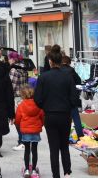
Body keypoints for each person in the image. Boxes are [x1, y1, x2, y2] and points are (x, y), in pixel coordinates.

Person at [34, 44, 79, 178]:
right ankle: (67, 172)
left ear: (50, 61)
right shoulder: (68, 76)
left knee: (53, 148)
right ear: (61, 60)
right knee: (64, 146)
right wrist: (68, 107)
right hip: (65, 114)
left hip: (50, 115)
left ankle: (56, 175)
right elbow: (74, 98)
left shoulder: (43, 77)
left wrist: (45, 106)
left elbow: (37, 98)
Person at [15, 86, 44, 178]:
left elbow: (18, 119)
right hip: (35, 130)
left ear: (23, 95)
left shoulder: (21, 105)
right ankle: (34, 170)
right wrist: (41, 124)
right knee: (34, 149)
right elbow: (42, 116)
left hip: (25, 130)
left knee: (27, 150)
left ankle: (27, 169)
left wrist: (19, 125)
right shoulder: (38, 105)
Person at [9, 51, 29, 151]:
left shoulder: (13, 70)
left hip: (16, 98)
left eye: (9, 58)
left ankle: (21, 141)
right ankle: (24, 140)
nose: (8, 60)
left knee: (17, 121)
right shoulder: (24, 69)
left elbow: (10, 86)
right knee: (23, 120)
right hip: (24, 97)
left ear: (13, 59)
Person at [60, 55, 84, 140]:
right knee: (76, 117)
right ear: (68, 63)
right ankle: (80, 136)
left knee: (63, 118)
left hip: (61, 99)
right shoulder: (71, 70)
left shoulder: (58, 71)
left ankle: (64, 136)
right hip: (72, 98)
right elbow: (79, 81)